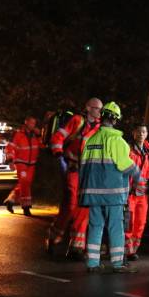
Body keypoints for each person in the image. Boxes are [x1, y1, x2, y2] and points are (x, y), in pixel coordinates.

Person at [78, 102, 140, 273]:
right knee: (115, 226)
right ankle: (118, 263)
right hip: (113, 194)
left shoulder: (91, 139)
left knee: (95, 225)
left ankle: (92, 263)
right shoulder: (116, 140)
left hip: (92, 193)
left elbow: (82, 167)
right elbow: (125, 165)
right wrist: (139, 177)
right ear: (116, 120)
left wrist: (82, 191)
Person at [46, 98, 102, 258]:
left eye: (101, 109)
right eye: (97, 108)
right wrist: (57, 152)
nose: (99, 112)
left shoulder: (100, 128)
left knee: (84, 206)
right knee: (70, 204)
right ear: (88, 108)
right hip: (73, 168)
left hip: (89, 173)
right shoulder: (78, 121)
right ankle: (54, 235)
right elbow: (58, 137)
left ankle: (76, 245)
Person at [125, 123, 149, 261]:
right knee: (128, 222)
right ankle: (126, 251)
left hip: (142, 194)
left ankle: (133, 249)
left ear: (147, 134)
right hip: (130, 193)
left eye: (143, 132)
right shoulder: (128, 149)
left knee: (140, 222)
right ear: (134, 133)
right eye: (138, 132)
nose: (141, 134)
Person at [4, 116, 42, 216]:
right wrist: (10, 161)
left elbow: (42, 146)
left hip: (32, 163)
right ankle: (26, 206)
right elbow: (10, 147)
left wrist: (39, 135)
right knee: (25, 183)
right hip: (21, 163)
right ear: (26, 123)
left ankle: (10, 200)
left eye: (34, 123)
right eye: (31, 123)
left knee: (25, 184)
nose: (33, 125)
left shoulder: (35, 135)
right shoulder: (18, 134)